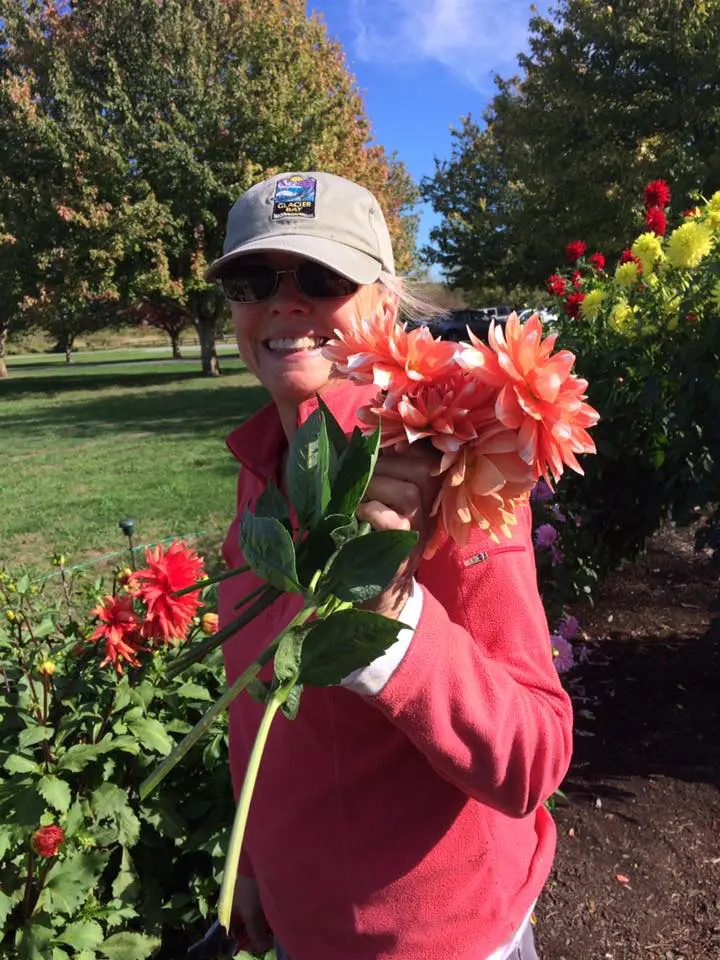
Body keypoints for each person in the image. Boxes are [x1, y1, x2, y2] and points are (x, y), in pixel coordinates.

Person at [206, 171, 573, 960]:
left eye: (321, 276)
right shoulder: (262, 464)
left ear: (383, 302)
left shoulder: (451, 473)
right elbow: (258, 706)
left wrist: (391, 612)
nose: (284, 300)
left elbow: (534, 756)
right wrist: (252, 864)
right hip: (302, 931)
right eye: (251, 279)